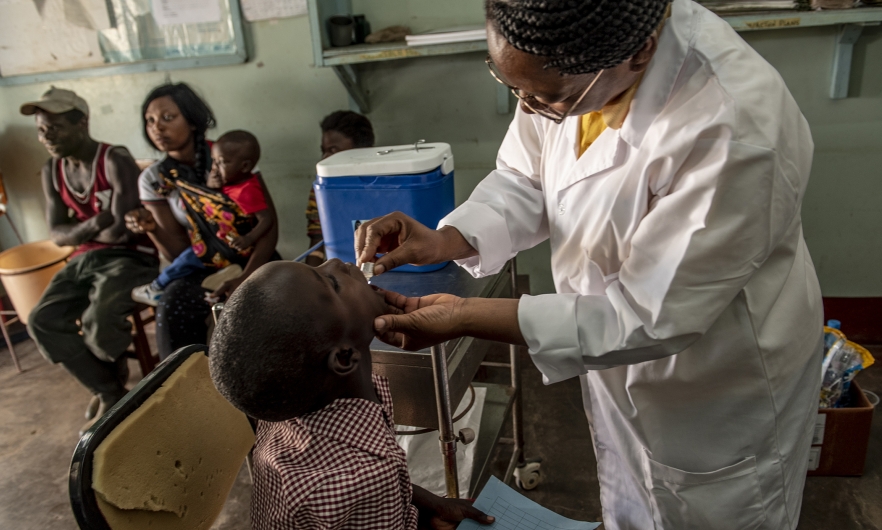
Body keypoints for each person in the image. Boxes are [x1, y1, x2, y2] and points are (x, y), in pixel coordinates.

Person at [355, 0, 823, 529]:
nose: (529, 109)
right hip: (620, 352)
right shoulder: (563, 57)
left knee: (706, 511)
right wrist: (449, 238)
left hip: (712, 379)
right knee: (632, 495)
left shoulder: (733, 126)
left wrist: (464, 315)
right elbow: (526, 176)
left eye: (549, 98)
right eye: (513, 88)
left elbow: (646, 317)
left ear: (641, 52)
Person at [209, 259, 494, 530]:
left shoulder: (290, 411)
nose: (335, 262)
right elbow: (374, 487)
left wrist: (428, 503)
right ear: (344, 357)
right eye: (333, 284)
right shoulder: (360, 478)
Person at [20, 87, 159, 434]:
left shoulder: (114, 159)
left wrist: (78, 230)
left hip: (131, 258)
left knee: (99, 320)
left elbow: (122, 232)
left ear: (82, 122)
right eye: (41, 129)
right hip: (86, 259)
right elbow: (57, 235)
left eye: (55, 127)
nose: (47, 136)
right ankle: (110, 389)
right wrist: (96, 223)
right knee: (41, 319)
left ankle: (108, 389)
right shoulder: (53, 170)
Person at [124, 83, 279, 359]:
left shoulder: (231, 153)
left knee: (275, 294)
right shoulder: (155, 179)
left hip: (251, 253)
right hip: (203, 262)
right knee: (173, 304)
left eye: (168, 118)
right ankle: (184, 385)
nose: (157, 128)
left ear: (193, 120)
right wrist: (152, 231)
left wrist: (244, 279)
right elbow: (177, 252)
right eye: (150, 121)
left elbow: (267, 228)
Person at [131, 130, 274, 306]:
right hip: (215, 245)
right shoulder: (227, 180)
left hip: (228, 249)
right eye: (213, 161)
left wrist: (248, 238)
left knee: (183, 263)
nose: (214, 168)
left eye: (221, 163)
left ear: (244, 167)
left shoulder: (247, 189)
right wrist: (212, 188)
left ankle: (156, 287)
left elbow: (266, 219)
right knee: (178, 287)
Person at [305, 110, 375, 266]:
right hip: (341, 268)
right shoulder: (321, 188)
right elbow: (317, 239)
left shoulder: (387, 184)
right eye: (323, 151)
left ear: (362, 150)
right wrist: (311, 275)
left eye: (333, 150)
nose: (324, 158)